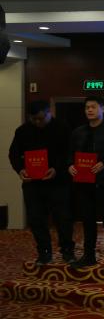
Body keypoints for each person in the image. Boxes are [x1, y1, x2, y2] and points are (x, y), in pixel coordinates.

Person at [8, 100, 74, 265]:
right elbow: (13, 154)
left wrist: (57, 169)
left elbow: (69, 154)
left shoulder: (63, 128)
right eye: (34, 119)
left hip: (58, 182)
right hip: (33, 184)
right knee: (36, 219)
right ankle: (44, 252)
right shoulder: (22, 131)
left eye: (41, 118)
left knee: (63, 218)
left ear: (49, 112)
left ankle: (67, 250)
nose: (38, 122)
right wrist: (20, 169)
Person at [67, 96, 104, 269]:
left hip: (103, 182)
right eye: (87, 107)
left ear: (103, 108)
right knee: (87, 220)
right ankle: (89, 255)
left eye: (93, 107)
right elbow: (70, 154)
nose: (89, 110)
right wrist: (70, 165)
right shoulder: (78, 132)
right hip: (82, 183)